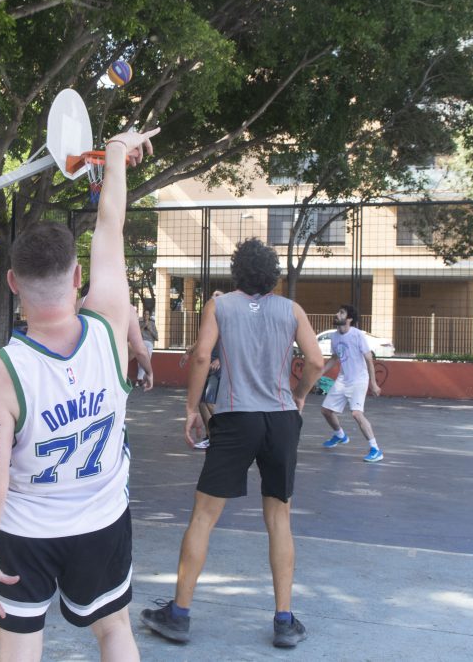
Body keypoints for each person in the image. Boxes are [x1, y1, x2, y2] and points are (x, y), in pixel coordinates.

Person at [0, 128, 158, 661]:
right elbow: (110, 224)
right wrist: (116, 155)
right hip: (101, 520)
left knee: (20, 648)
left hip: (25, 532)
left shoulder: (0, 373)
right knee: (115, 629)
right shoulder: (111, 326)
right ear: (78, 277)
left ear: (11, 282)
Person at [140, 238, 324, 649]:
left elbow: (202, 357)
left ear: (236, 272)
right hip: (279, 420)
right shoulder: (291, 310)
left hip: (235, 418)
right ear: (273, 274)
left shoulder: (220, 306)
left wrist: (191, 408)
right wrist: (300, 395)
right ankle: (284, 620)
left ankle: (180, 614)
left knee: (204, 516)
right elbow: (315, 361)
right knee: (280, 518)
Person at [319, 304, 384, 463]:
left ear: (349, 319)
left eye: (341, 313)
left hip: (359, 379)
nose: (337, 314)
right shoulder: (334, 336)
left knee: (356, 413)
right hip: (343, 379)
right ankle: (340, 435)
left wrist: (373, 384)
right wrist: (319, 373)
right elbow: (335, 358)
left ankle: (376, 449)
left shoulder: (357, 335)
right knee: (326, 410)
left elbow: (369, 359)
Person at [77, 284, 153, 391]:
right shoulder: (124, 308)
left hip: (79, 373)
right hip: (109, 375)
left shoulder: (74, 306)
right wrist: (149, 372)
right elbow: (139, 349)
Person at [179, 290, 224, 447]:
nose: (214, 300)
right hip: (207, 364)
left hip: (218, 365)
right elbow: (201, 342)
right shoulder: (210, 319)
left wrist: (220, 359)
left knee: (210, 401)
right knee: (202, 401)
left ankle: (227, 432)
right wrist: (187, 352)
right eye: (212, 297)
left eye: (217, 298)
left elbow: (234, 344)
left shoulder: (226, 320)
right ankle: (211, 436)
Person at [137, 309, 158, 387]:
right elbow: (136, 334)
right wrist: (143, 327)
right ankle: (140, 379)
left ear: (149, 316)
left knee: (147, 361)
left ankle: (140, 380)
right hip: (141, 342)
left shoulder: (152, 324)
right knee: (141, 361)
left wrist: (149, 329)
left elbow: (156, 337)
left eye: (147, 314)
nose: (146, 316)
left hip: (149, 343)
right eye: (145, 314)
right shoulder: (139, 323)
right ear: (143, 315)